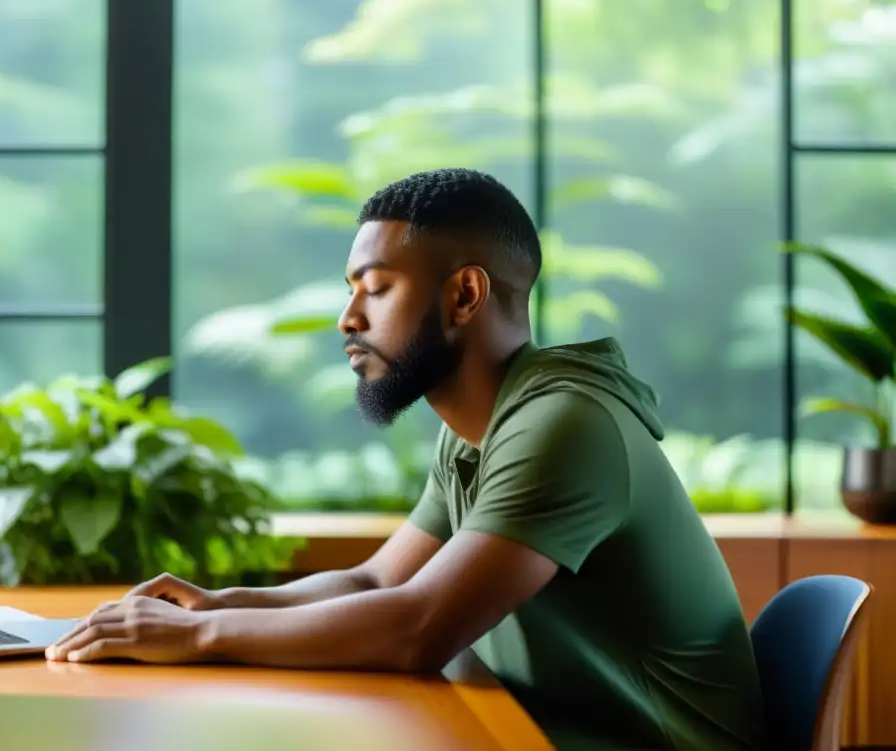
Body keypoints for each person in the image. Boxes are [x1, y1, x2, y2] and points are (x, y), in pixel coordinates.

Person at [47, 168, 764, 750]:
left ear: (464, 294)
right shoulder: (482, 426)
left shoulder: (566, 425)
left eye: (376, 287)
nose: (347, 318)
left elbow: (417, 628)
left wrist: (198, 635)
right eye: (350, 289)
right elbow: (375, 579)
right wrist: (220, 604)